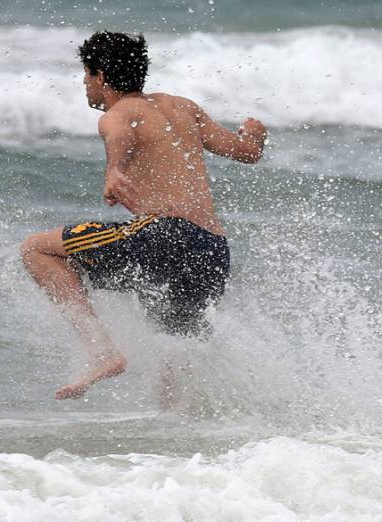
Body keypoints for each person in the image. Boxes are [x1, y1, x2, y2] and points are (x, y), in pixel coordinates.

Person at [20, 31, 267, 400]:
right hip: (211, 250)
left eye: (86, 75)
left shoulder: (117, 113)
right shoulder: (183, 107)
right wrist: (256, 135)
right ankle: (183, 438)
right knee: (174, 351)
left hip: (165, 234)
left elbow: (119, 133)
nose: (85, 84)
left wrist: (114, 170)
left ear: (100, 76)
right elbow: (246, 153)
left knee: (36, 249)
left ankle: (100, 351)